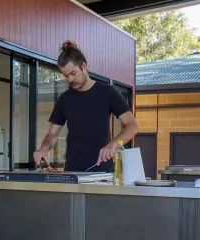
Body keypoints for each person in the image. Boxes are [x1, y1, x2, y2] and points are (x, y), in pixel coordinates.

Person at [33, 40, 140, 172]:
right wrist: (43, 148)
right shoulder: (64, 99)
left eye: (73, 73)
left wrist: (113, 144)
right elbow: (52, 134)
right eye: (66, 76)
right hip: (72, 171)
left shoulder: (107, 92)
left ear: (84, 66)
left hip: (102, 172)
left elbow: (133, 125)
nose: (70, 80)